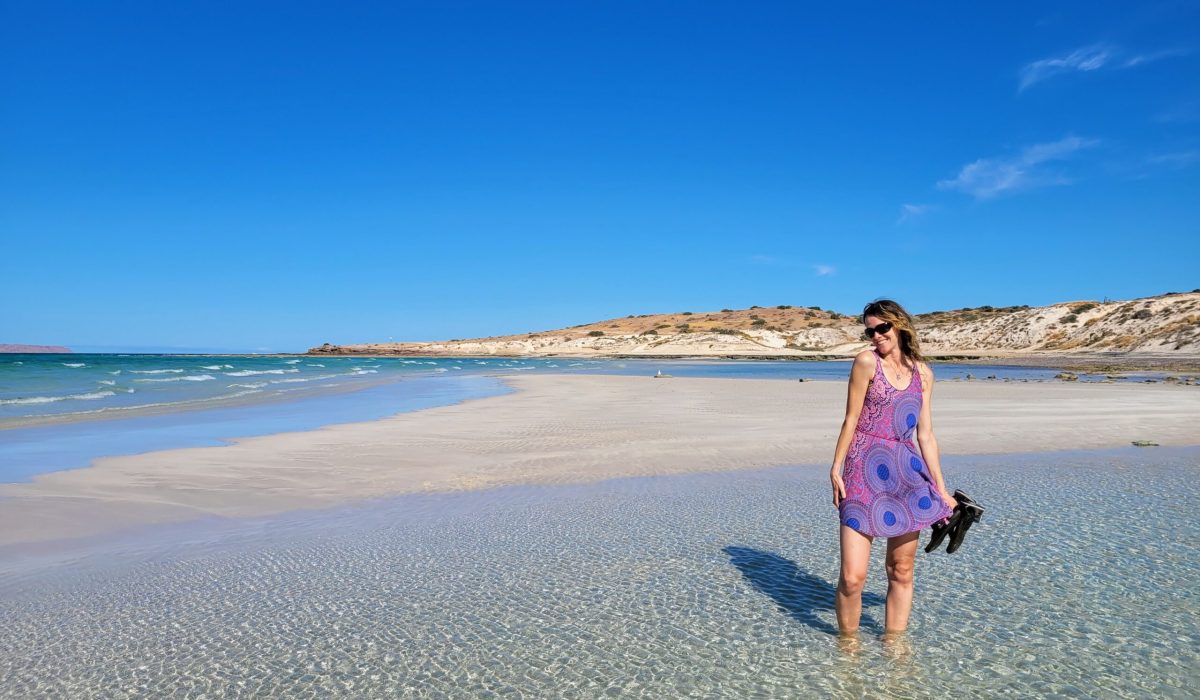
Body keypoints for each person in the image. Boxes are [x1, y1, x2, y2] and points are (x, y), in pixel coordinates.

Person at [828, 299, 957, 636]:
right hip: (862, 468)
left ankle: (895, 648)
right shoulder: (866, 362)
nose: (875, 336)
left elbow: (926, 435)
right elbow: (851, 418)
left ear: (899, 324)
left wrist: (942, 490)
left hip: (906, 473)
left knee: (901, 569)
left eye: (881, 328)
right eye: (869, 330)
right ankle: (848, 649)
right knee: (852, 577)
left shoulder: (924, 374)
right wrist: (836, 467)